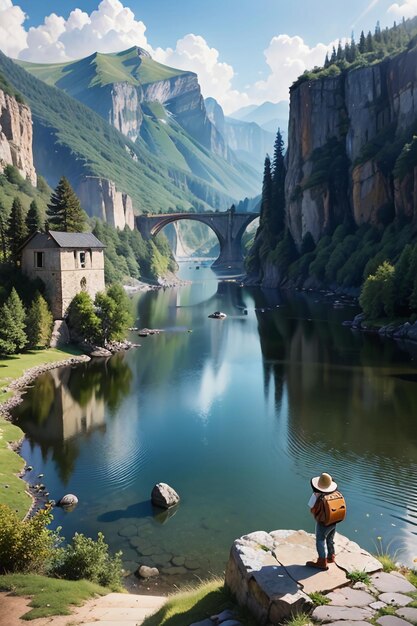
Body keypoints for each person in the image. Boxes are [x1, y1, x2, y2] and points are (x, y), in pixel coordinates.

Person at [306, 472, 338, 570]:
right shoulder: (335, 493)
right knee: (330, 538)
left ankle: (322, 562)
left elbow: (311, 506)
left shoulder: (317, 494)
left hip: (324, 521)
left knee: (320, 540)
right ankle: (331, 557)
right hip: (335, 519)